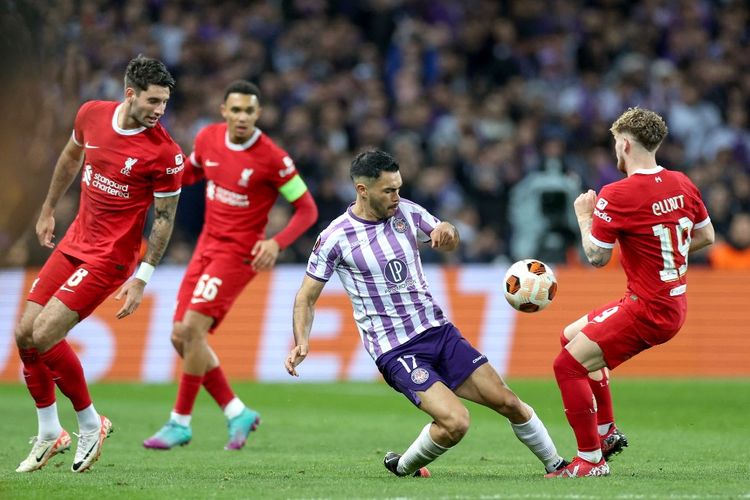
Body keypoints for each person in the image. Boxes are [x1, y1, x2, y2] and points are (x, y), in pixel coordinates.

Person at [285, 149, 567, 477]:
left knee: (508, 401)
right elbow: (306, 297)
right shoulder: (335, 238)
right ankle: (405, 466)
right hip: (396, 349)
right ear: (362, 190)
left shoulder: (408, 213)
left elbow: (446, 237)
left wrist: (447, 231)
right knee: (456, 422)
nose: (397, 196)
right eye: (388, 190)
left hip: (438, 332)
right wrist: (302, 341)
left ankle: (556, 465)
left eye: (399, 188)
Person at [14, 55, 184, 473]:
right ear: (130, 94)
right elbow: (71, 157)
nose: (160, 111)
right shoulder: (91, 115)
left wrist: (143, 278)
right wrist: (48, 208)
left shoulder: (165, 153)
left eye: (165, 103)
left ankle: (92, 424)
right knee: (23, 334)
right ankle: (51, 432)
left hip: (111, 257)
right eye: (153, 101)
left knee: (46, 332)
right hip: (75, 240)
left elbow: (163, 220)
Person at [143, 80, 318, 451]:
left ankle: (180, 422)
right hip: (205, 248)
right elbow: (189, 173)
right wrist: (154, 176)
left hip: (238, 255)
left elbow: (307, 209)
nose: (242, 117)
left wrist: (276, 242)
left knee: (192, 329)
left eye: (249, 111)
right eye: (235, 110)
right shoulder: (207, 139)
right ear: (224, 111)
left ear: (258, 114)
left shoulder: (272, 159)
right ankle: (236, 410)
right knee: (179, 337)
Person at [546, 107, 715, 478]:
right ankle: (605, 432)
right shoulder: (682, 182)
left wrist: (584, 216)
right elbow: (706, 236)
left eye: (614, 145)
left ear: (623, 145)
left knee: (567, 365)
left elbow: (596, 257)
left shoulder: (617, 193)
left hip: (648, 309)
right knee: (570, 337)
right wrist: (666, 259)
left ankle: (590, 460)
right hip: (668, 301)